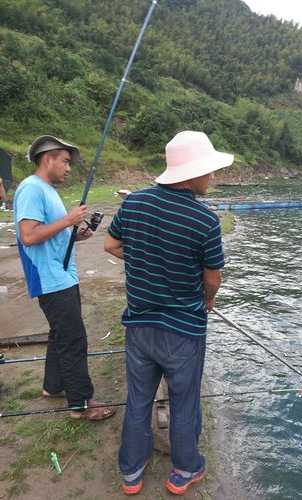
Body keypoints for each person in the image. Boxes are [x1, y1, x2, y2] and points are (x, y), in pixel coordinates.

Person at [104, 131, 234, 495]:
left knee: (139, 399)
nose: (212, 176)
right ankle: (185, 470)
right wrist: (207, 300)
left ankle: (131, 473)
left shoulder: (134, 204)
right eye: (208, 170)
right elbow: (213, 277)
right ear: (190, 173)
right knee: (184, 402)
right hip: (183, 332)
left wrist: (147, 262)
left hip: (139, 328)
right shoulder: (205, 220)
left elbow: (111, 244)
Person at [13, 135, 115, 421]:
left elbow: (50, 233)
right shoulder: (31, 189)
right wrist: (69, 220)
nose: (69, 168)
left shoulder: (45, 189)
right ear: (48, 159)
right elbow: (29, 236)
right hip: (50, 278)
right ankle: (80, 404)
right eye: (66, 161)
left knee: (61, 334)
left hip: (61, 274)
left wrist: (75, 234)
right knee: (73, 339)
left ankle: (53, 386)